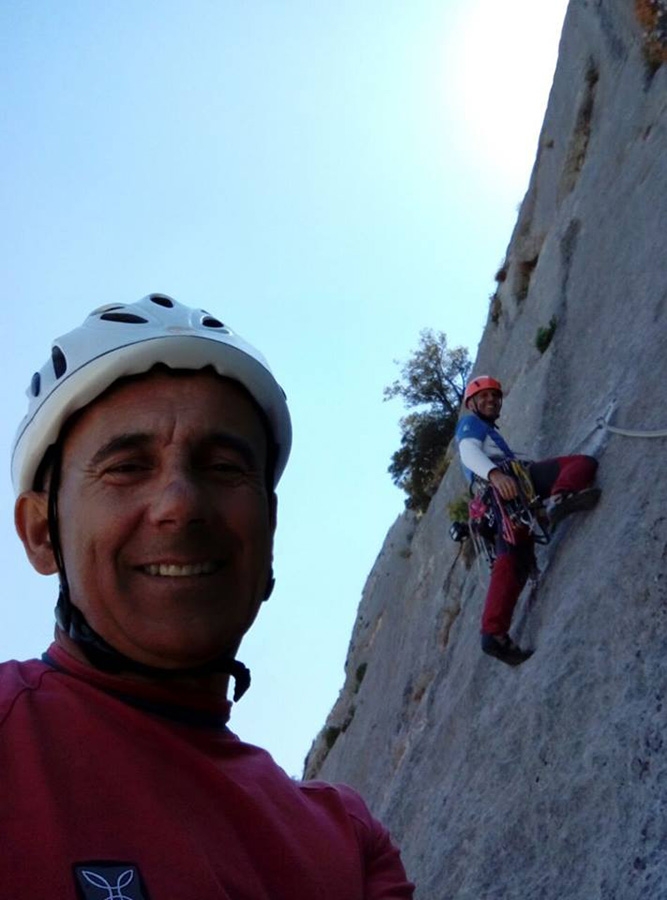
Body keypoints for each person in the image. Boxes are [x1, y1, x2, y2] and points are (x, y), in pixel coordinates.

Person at [4, 293, 414, 899]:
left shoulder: (346, 841)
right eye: (126, 467)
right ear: (43, 534)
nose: (181, 505)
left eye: (223, 467)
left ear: (267, 532)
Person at [455, 375, 600, 667]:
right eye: (483, 397)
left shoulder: (486, 430)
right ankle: (560, 498)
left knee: (513, 562)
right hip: (510, 484)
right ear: (471, 404)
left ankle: (493, 634)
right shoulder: (471, 425)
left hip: (504, 502)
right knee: (581, 464)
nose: (491, 400)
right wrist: (495, 475)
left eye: (495, 396)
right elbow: (468, 451)